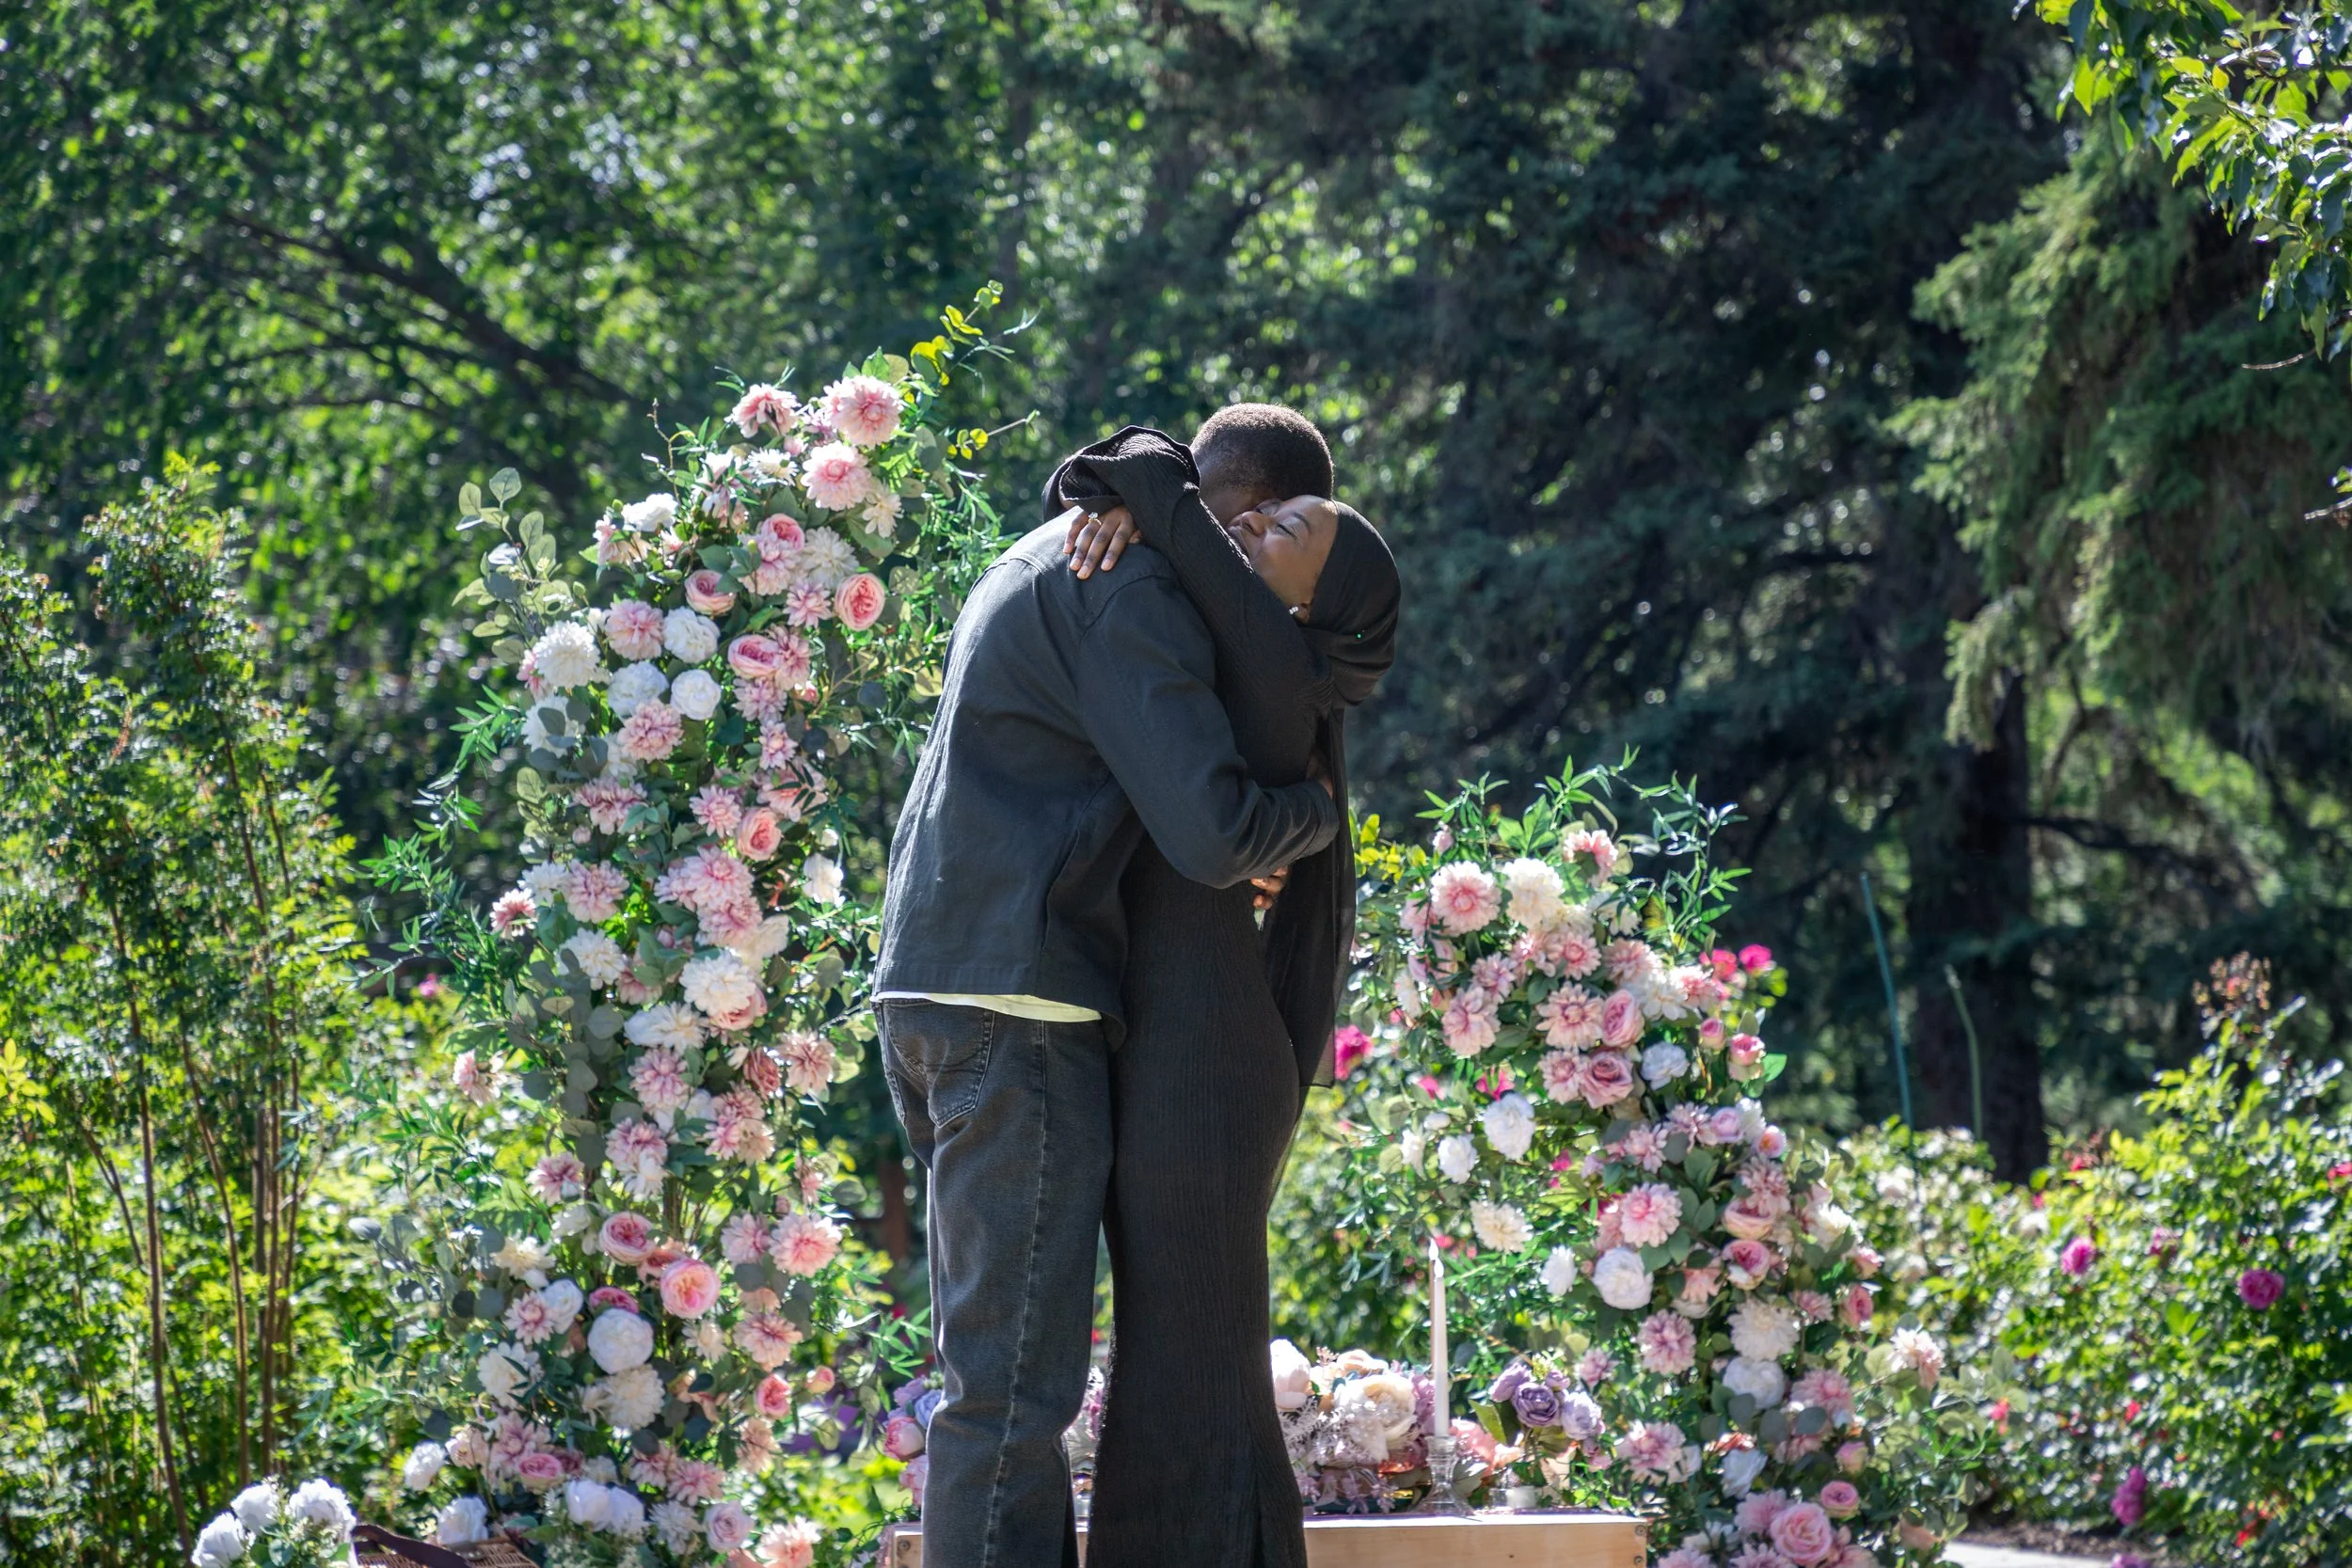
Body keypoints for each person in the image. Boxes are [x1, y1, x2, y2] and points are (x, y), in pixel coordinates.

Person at [870, 423, 1346, 1568]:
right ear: (1240, 525)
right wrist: (1316, 817)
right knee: (1012, 1393)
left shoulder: (1045, 552)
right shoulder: (1127, 585)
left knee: (992, 1379)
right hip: (1015, 1002)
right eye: (1278, 555)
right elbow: (1216, 827)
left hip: (940, 984)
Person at [1045, 408, 1400, 1568]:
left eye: (1289, 526)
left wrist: (1135, 485)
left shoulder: (1276, 657)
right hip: (1191, 1046)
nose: (1248, 530)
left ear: (1311, 594)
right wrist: (1122, 500)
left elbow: (1164, 486)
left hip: (1206, 1061)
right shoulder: (1256, 640)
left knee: (1193, 1363)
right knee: (1179, 1360)